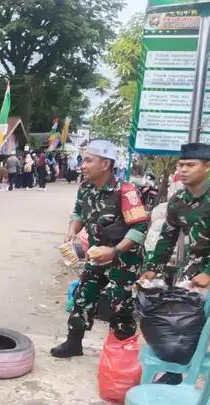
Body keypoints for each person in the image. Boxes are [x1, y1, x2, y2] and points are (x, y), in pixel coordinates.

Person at [141, 143, 210, 403]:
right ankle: (175, 372)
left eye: (190, 165)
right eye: (181, 165)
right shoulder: (178, 200)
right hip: (196, 266)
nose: (183, 170)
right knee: (180, 319)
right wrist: (151, 269)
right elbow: (168, 236)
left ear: (207, 166)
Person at [51, 139, 149, 358]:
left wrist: (114, 252)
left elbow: (140, 227)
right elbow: (78, 213)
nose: (82, 165)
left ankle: (122, 353)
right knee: (83, 296)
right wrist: (72, 231)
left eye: (88, 160)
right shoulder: (85, 188)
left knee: (120, 305)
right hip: (96, 256)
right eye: (82, 160)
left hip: (123, 260)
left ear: (105, 164)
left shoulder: (125, 191)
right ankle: (73, 343)